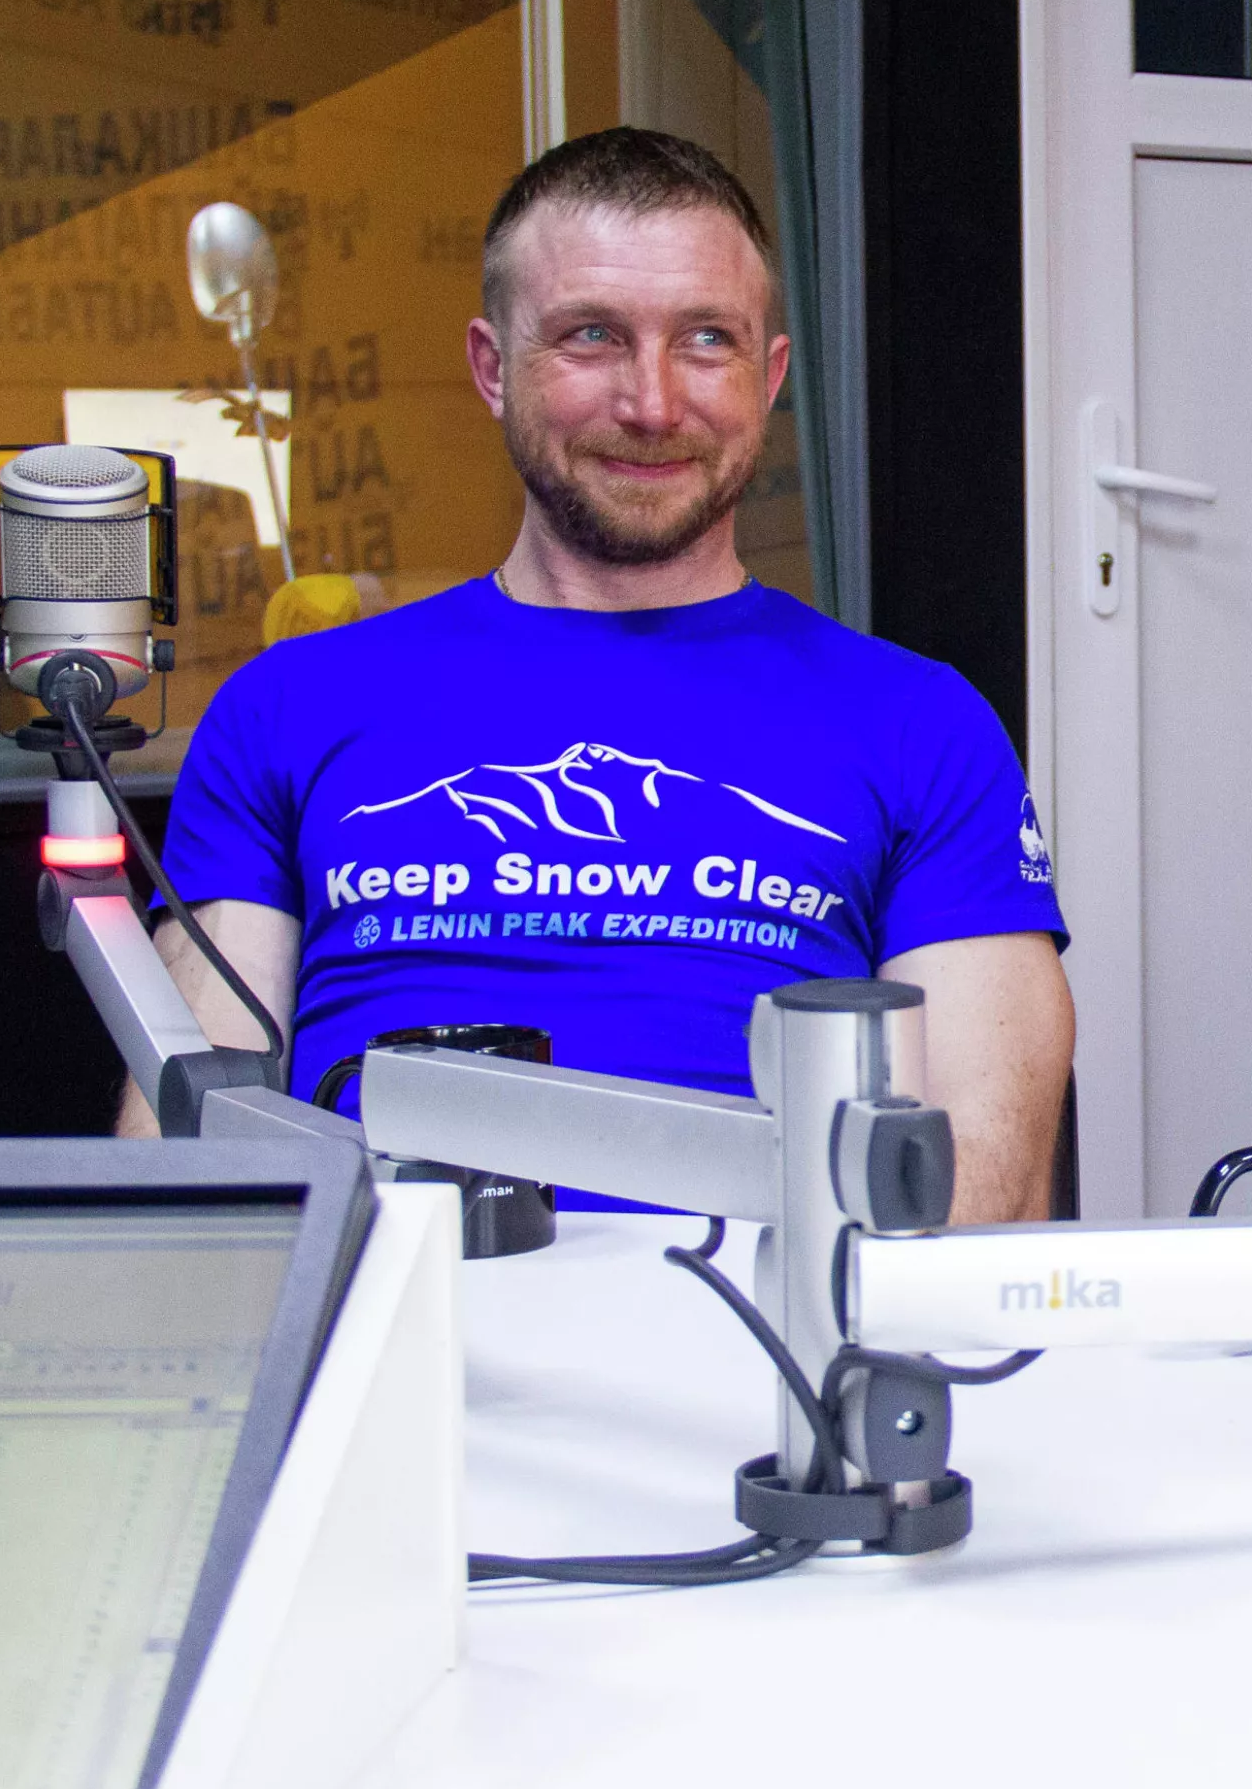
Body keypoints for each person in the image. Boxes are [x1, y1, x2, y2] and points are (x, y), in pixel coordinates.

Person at [121, 127, 1075, 1221]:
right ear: (493, 368)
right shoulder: (288, 708)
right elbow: (184, 1158)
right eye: (592, 336)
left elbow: (985, 1185)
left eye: (706, 340)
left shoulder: (920, 725)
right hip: (391, 1299)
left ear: (769, 377)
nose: (653, 404)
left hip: (767, 1314)